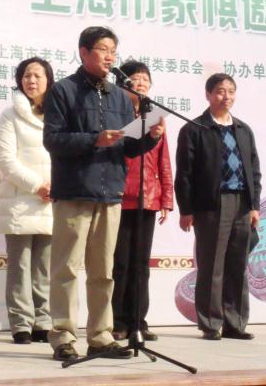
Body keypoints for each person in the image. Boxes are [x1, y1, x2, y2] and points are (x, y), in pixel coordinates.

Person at [43, 26, 165, 361]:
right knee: (67, 269)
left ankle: (100, 336)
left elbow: (128, 147)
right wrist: (94, 140)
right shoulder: (63, 90)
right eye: (103, 49)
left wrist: (150, 137)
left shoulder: (119, 96)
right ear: (83, 52)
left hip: (110, 192)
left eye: (113, 50)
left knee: (104, 272)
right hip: (74, 191)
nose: (110, 57)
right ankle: (63, 336)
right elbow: (52, 140)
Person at [175, 73, 261, 341]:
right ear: (208, 95)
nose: (227, 97)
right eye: (221, 91)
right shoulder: (195, 129)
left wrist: (255, 206)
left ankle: (235, 323)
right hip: (210, 206)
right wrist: (186, 210)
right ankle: (211, 323)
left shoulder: (243, 130)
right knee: (212, 265)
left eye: (231, 91)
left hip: (242, 204)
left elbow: (254, 170)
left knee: (238, 264)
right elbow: (185, 174)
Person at [111, 61, 173, 342]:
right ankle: (118, 321)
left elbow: (164, 161)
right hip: (120, 198)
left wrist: (166, 198)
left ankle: (139, 321)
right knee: (120, 264)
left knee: (141, 265)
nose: (141, 84)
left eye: (146, 80)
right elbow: (121, 148)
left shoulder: (155, 116)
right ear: (124, 84)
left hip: (147, 199)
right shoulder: (116, 113)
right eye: (135, 79)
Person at [0, 57, 54, 345]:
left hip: (52, 200)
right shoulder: (10, 115)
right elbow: (6, 161)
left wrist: (56, 186)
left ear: (48, 80)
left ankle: (43, 322)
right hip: (20, 200)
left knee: (44, 267)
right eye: (26, 75)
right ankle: (21, 323)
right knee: (20, 266)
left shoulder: (59, 114)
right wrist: (37, 186)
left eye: (37, 75)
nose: (31, 80)